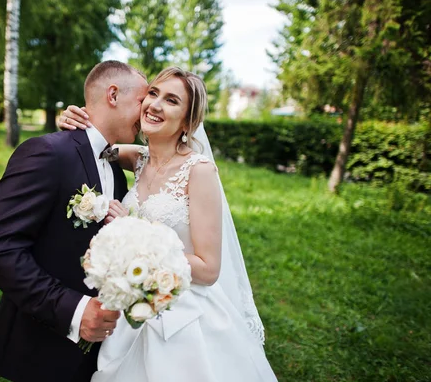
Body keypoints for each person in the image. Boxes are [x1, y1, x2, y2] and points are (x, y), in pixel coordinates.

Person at [59, 66, 278, 381]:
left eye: (171, 100)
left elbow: (208, 269)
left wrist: (134, 233)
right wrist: (71, 121)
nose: (155, 105)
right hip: (135, 303)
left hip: (184, 315)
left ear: (188, 122)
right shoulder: (139, 158)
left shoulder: (199, 171)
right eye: (153, 93)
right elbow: (97, 143)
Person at [0, 60, 149, 382]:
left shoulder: (116, 171)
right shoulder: (47, 153)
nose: (146, 112)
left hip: (98, 350)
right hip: (42, 345)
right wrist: (74, 311)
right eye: (141, 101)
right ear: (113, 94)